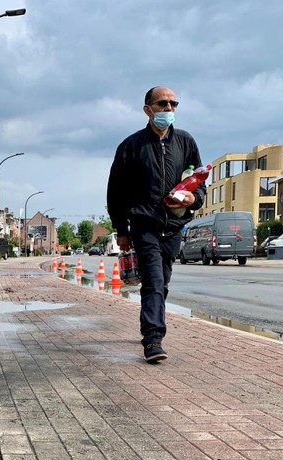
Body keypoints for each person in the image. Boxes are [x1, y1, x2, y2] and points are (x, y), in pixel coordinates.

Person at [107, 86, 205, 363]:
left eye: (174, 104)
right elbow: (115, 192)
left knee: (162, 281)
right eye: (162, 104)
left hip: (174, 226)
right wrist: (122, 231)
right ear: (147, 109)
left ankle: (153, 327)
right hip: (144, 224)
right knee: (153, 280)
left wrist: (192, 199)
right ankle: (152, 339)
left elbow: (199, 184)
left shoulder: (186, 142)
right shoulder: (131, 146)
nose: (169, 109)